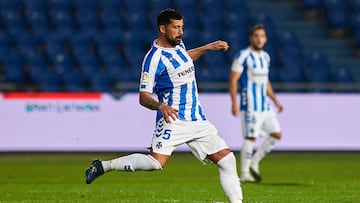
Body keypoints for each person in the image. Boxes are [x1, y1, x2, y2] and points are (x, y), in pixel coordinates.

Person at [85, 8, 243, 203]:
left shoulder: (178, 45)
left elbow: (184, 59)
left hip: (197, 119)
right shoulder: (153, 60)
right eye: (176, 27)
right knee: (155, 163)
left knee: (227, 160)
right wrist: (161, 106)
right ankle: (103, 166)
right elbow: (143, 97)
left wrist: (207, 48)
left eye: (182, 27)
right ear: (162, 29)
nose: (180, 32)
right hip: (172, 119)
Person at [229, 24, 284, 183]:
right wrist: (234, 103)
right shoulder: (243, 55)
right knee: (250, 138)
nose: (259, 39)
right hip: (250, 105)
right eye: (256, 36)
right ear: (251, 38)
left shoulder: (266, 57)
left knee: (276, 135)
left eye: (262, 36)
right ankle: (245, 173)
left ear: (265, 39)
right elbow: (233, 80)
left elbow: (265, 81)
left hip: (265, 105)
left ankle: (254, 161)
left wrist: (275, 100)